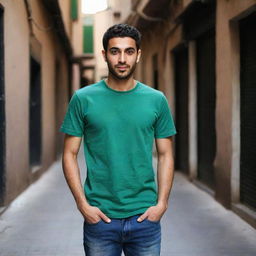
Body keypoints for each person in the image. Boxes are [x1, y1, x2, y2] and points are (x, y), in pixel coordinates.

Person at [60, 23, 177, 256]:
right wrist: (82, 204)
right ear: (105, 55)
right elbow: (69, 153)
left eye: (129, 51)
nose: (122, 59)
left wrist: (161, 204)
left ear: (138, 55)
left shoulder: (156, 100)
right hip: (100, 219)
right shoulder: (83, 99)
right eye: (115, 51)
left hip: (145, 218)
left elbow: (165, 154)